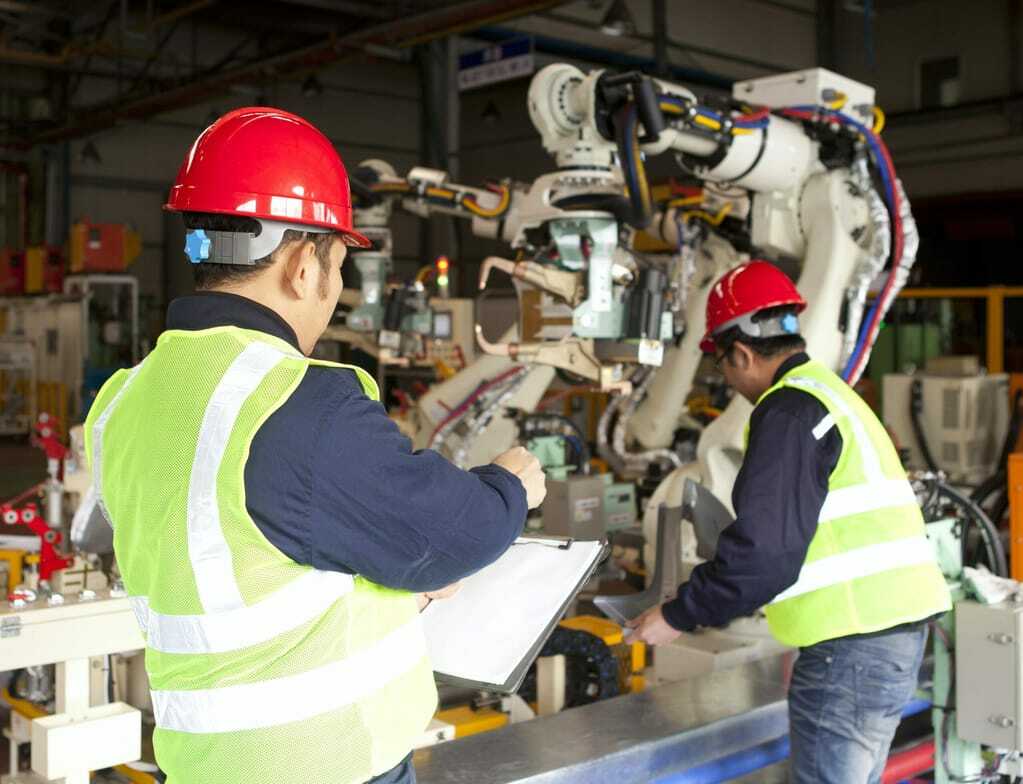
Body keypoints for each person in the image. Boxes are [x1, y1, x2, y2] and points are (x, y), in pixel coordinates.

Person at [84, 108, 546, 784]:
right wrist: (508, 485)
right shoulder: (296, 401)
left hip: (201, 765)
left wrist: (401, 595)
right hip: (325, 764)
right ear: (306, 267)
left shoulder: (122, 401)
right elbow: (456, 530)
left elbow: (248, 565)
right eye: (339, 265)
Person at [627, 261, 951, 783]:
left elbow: (764, 554)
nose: (727, 380)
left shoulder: (788, 412)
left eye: (722, 365)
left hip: (849, 652)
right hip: (888, 641)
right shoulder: (832, 395)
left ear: (741, 353)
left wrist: (679, 613)